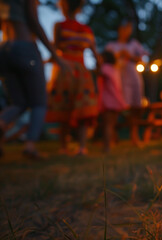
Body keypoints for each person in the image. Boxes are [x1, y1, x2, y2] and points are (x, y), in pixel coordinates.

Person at [0, 0, 68, 158]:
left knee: (18, 103)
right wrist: (55, 54)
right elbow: (34, 22)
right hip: (24, 47)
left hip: (4, 50)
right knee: (39, 103)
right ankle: (30, 146)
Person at [46, 0, 99, 155]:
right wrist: (100, 70)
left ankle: (64, 147)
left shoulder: (60, 26)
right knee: (83, 109)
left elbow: (55, 49)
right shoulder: (86, 30)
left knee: (64, 107)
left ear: (64, 6)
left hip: (64, 70)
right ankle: (82, 147)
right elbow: (95, 55)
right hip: (82, 72)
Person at [106, 20, 148, 147]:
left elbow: (142, 60)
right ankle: (113, 135)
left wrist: (129, 56)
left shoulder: (134, 44)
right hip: (117, 78)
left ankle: (134, 136)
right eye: (125, 29)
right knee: (115, 107)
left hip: (133, 77)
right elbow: (106, 61)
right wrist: (118, 56)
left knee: (135, 108)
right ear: (120, 29)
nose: (127, 32)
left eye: (129, 29)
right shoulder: (112, 46)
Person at [97, 51, 127, 152]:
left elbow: (99, 73)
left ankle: (106, 147)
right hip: (116, 99)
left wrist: (98, 64)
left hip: (108, 100)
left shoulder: (105, 68)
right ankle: (110, 144)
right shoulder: (115, 69)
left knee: (107, 124)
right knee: (112, 124)